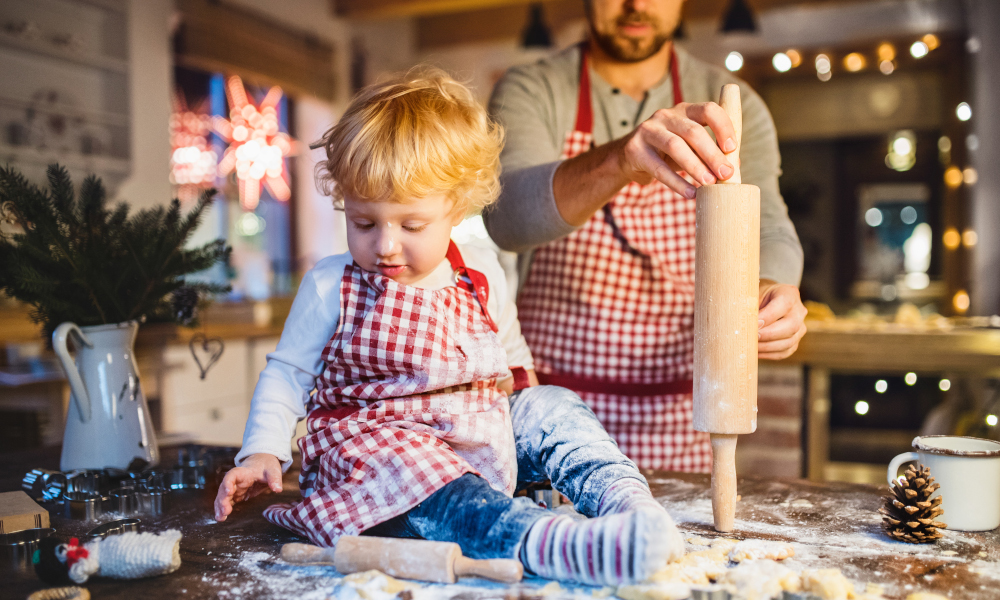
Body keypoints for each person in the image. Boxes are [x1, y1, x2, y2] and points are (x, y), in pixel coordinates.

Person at [213, 70, 686, 586]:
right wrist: (263, 451)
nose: (385, 245)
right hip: (381, 457)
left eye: (411, 225)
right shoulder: (333, 285)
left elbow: (512, 362)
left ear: (456, 207)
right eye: (364, 223)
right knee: (420, 467)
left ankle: (628, 506)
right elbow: (286, 374)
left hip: (477, 438)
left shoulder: (478, 274)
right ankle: (551, 544)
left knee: (549, 404)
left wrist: (527, 421)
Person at [485, 0, 808, 473]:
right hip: (554, 417)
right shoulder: (533, 88)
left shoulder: (735, 105)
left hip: (680, 418)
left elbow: (770, 229)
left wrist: (766, 287)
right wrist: (620, 160)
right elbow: (508, 219)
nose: (636, 4)